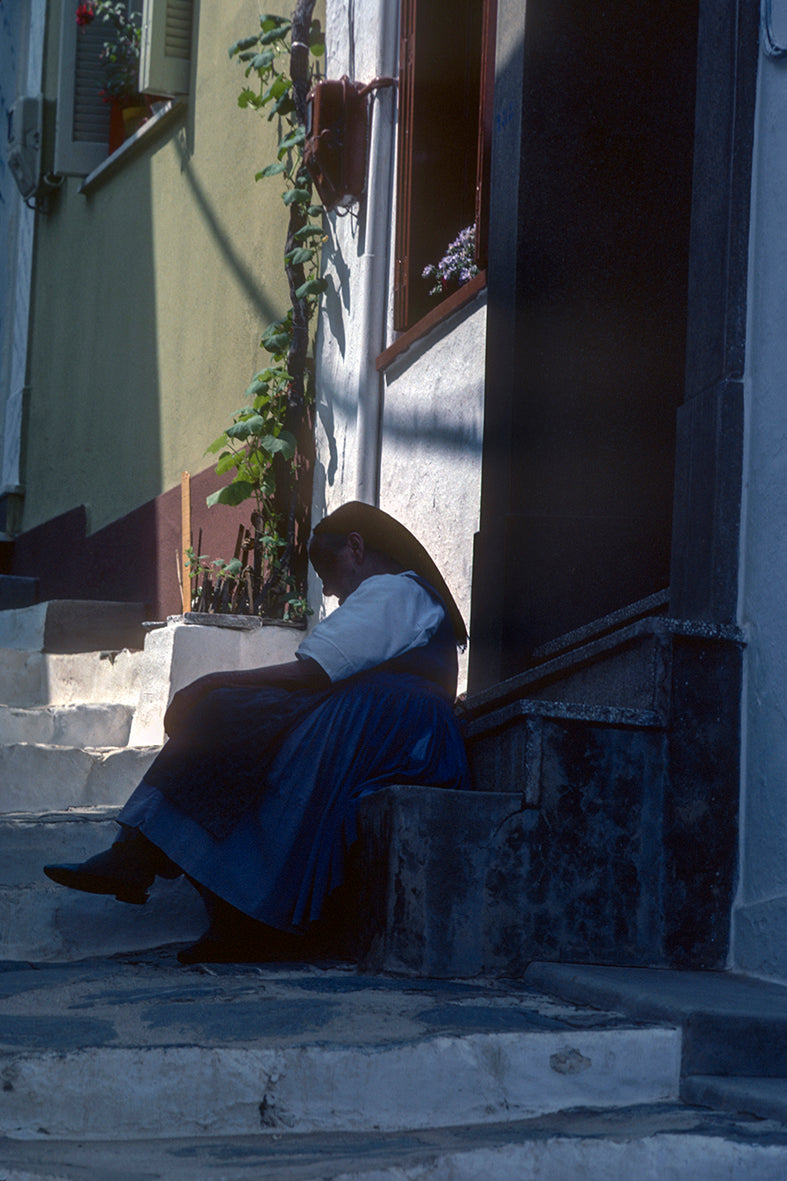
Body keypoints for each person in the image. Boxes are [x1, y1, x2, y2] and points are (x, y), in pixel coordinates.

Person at [44, 502, 472, 963]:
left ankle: (149, 861)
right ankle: (153, 863)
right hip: (377, 721)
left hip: (393, 730)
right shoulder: (403, 597)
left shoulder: (397, 591)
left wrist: (214, 681)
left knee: (225, 711)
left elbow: (314, 671)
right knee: (233, 731)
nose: (328, 589)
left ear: (356, 548)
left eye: (327, 570)